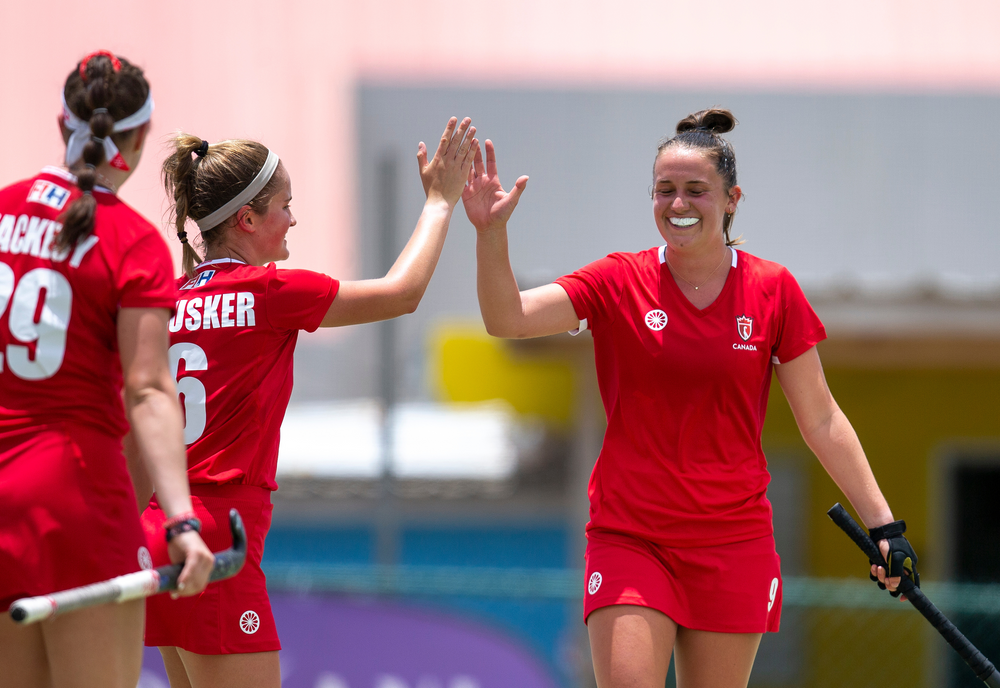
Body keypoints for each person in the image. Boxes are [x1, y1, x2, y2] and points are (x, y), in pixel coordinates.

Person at [461, 108, 918, 688]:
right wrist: (490, 232)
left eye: (696, 190)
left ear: (731, 199)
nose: (678, 204)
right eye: (665, 190)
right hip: (631, 537)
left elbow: (822, 418)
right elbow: (507, 318)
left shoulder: (773, 289)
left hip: (733, 541)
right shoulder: (617, 280)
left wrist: (884, 528)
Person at [136, 117, 478, 688]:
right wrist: (440, 203)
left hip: (161, 523)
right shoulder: (270, 291)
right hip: (218, 533)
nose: (294, 218)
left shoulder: (166, 300)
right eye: (285, 205)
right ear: (246, 219)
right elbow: (402, 293)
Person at [0, 51, 214, 688]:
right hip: (77, 500)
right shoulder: (133, 241)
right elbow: (148, 389)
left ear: (60, 124)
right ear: (141, 136)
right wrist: (181, 521)